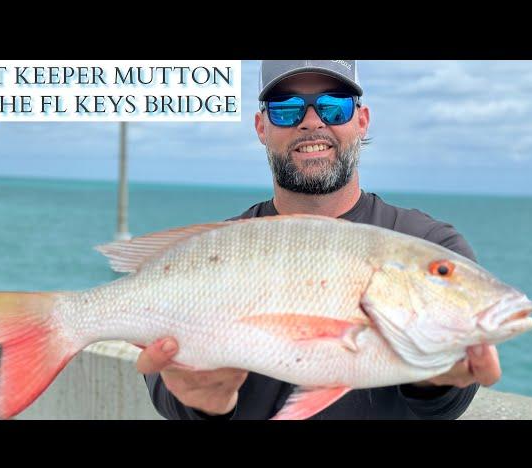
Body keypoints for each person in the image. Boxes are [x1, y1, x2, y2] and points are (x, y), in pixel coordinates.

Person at [139, 60, 502, 420]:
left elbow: (446, 405)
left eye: (334, 106)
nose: (312, 122)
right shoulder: (217, 248)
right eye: (286, 109)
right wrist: (200, 403)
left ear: (361, 120)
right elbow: (165, 389)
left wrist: (434, 381)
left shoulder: (430, 244)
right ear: (261, 126)